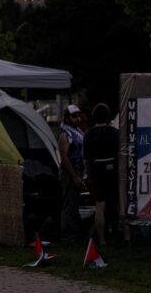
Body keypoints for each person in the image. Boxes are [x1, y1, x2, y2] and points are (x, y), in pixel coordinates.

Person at [82, 103, 119, 245]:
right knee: (118, 203)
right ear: (108, 116)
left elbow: (86, 159)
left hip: (97, 172)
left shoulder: (88, 134)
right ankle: (124, 236)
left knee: (99, 206)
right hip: (113, 172)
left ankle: (102, 239)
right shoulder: (115, 133)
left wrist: (90, 176)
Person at [58, 104, 86, 238]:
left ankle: (75, 230)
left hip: (78, 172)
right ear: (67, 117)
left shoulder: (78, 131)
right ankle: (68, 234)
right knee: (69, 203)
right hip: (69, 173)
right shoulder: (64, 134)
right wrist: (74, 176)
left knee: (75, 202)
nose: (78, 118)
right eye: (74, 116)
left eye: (78, 115)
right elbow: (64, 158)